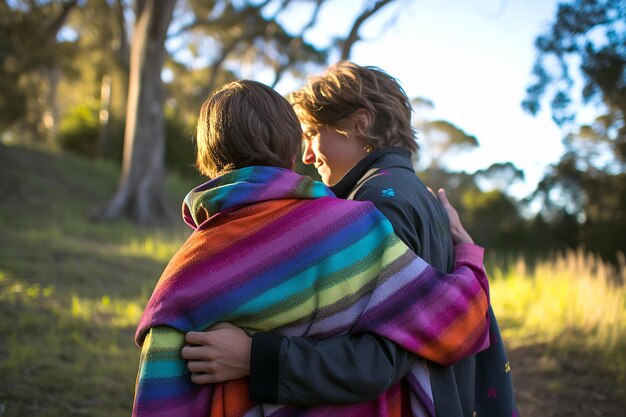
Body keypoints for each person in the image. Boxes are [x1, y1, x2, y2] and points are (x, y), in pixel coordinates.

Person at [132, 79, 492, 417]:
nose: (307, 154)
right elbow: (452, 318)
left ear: (207, 161)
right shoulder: (352, 229)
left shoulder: (185, 270)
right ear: (288, 151)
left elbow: (160, 394)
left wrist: (255, 358)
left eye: (312, 134)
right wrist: (470, 256)